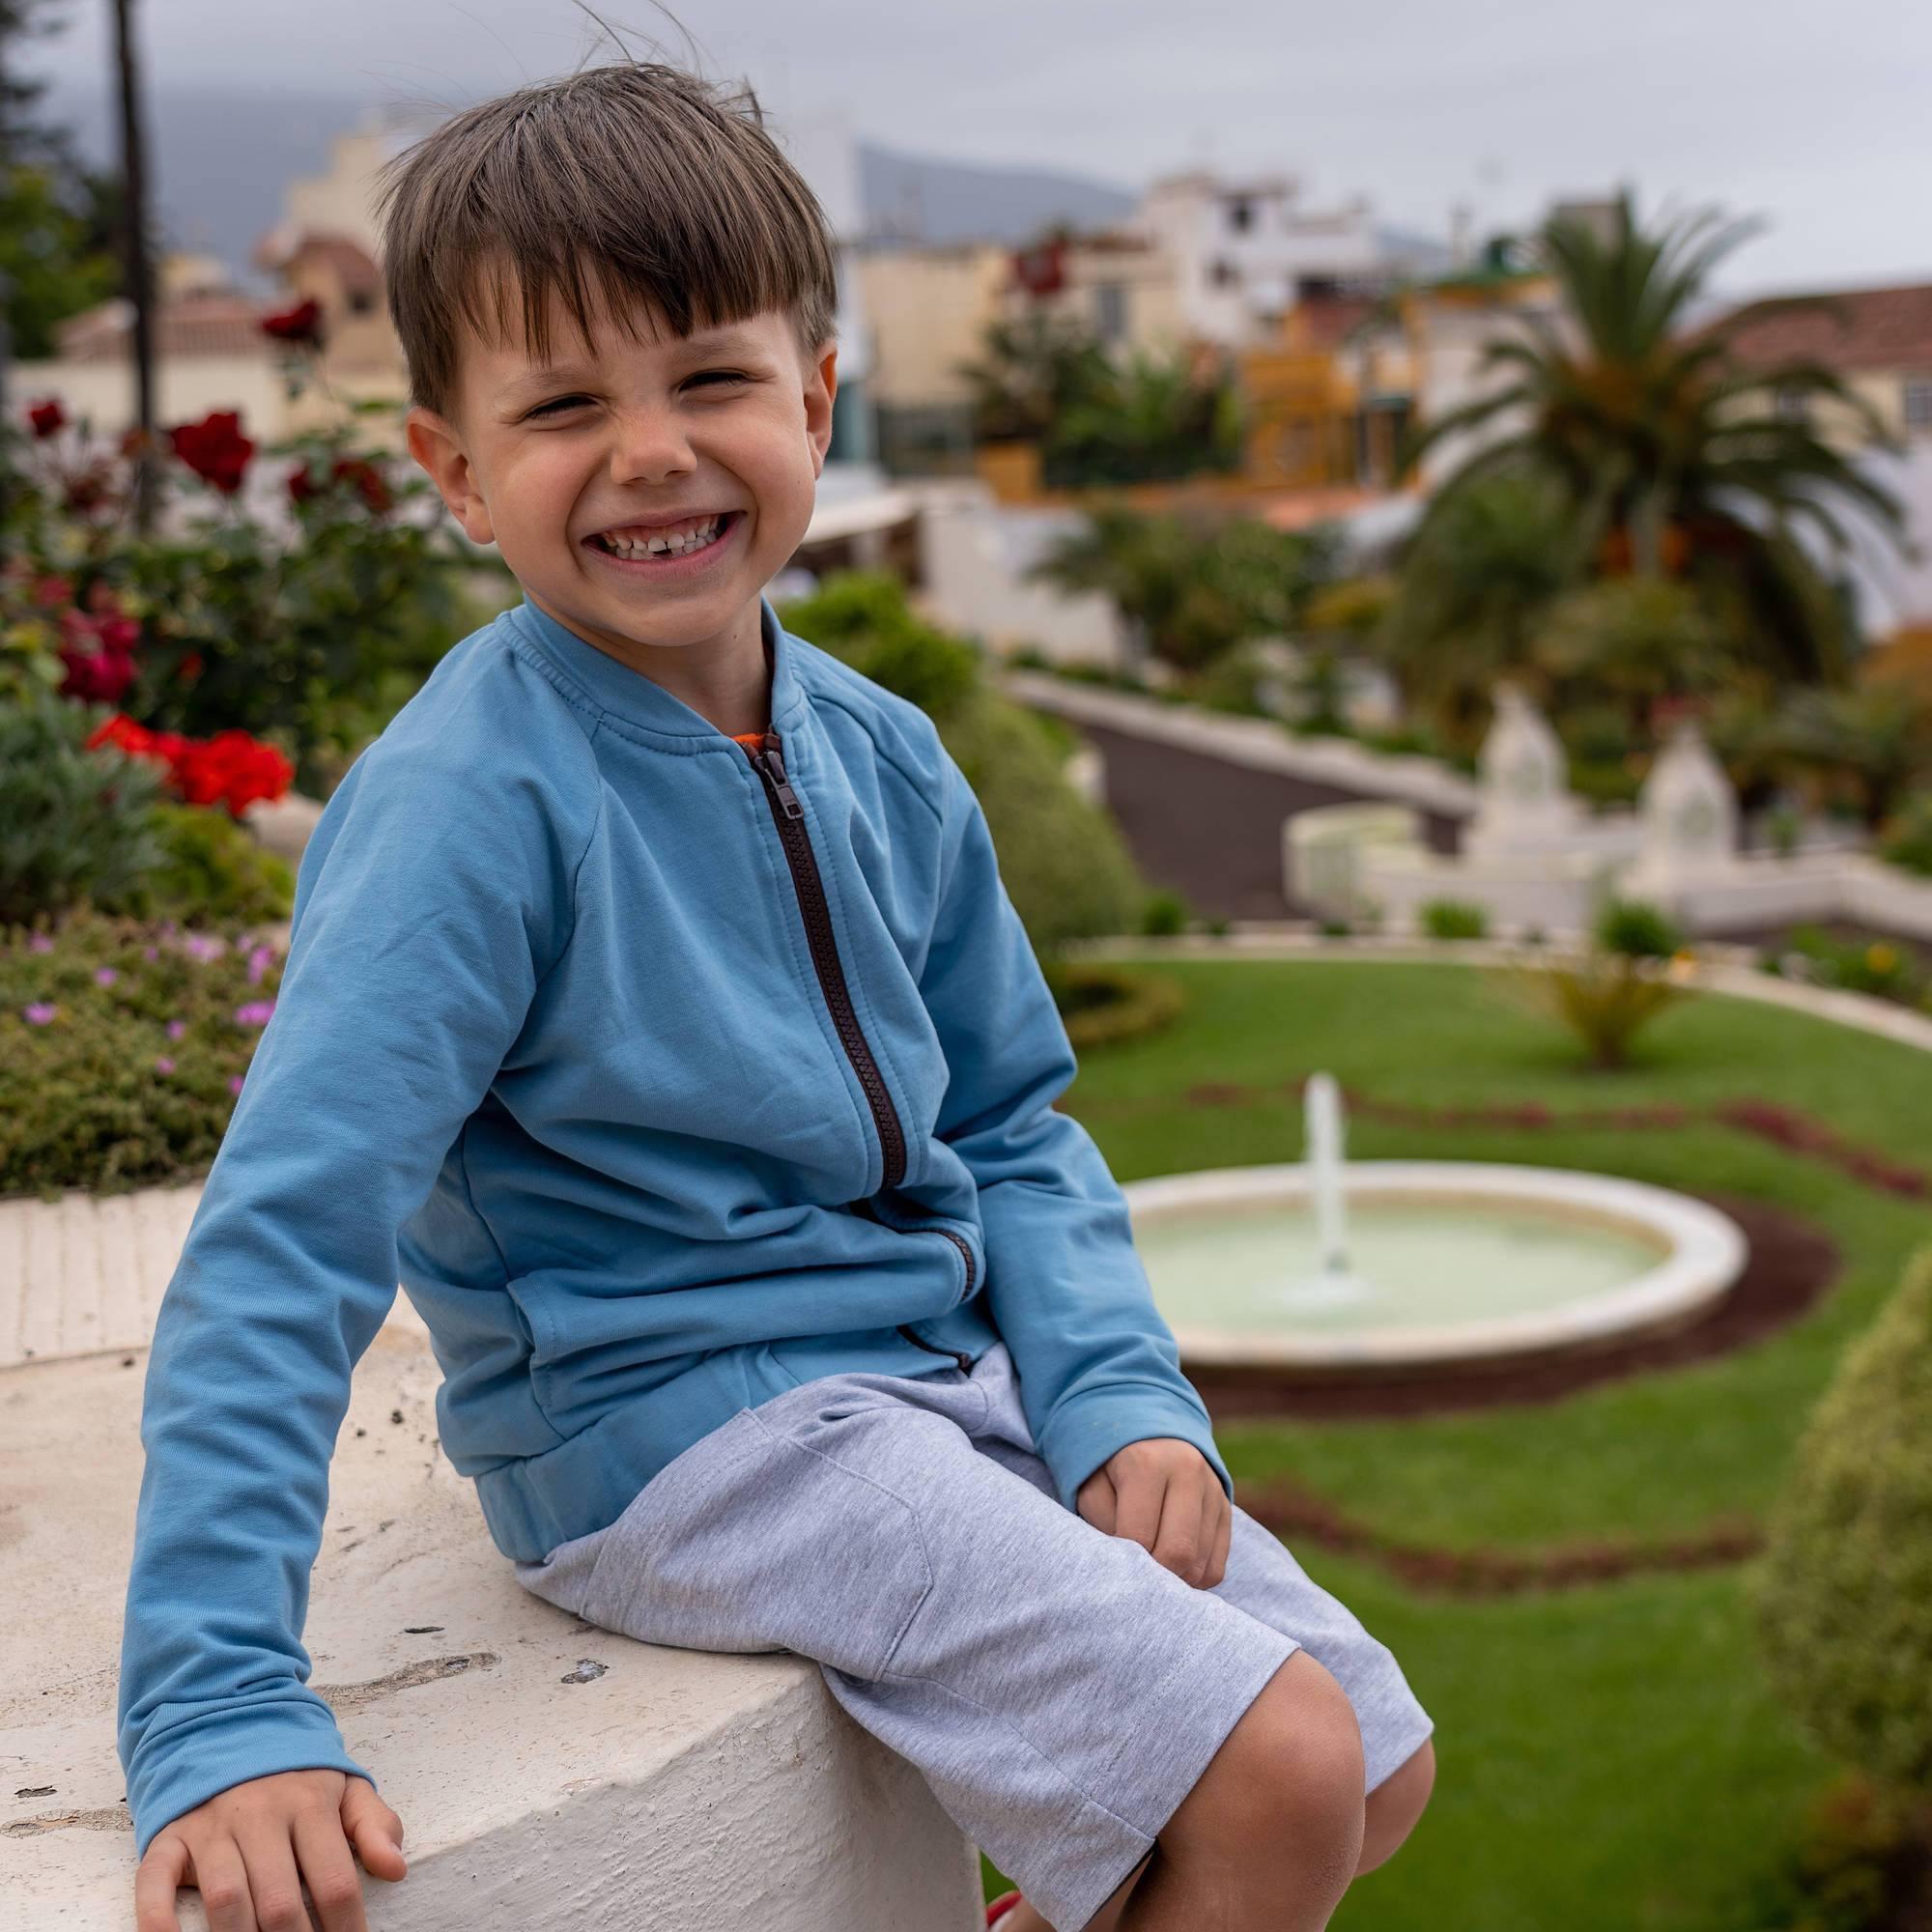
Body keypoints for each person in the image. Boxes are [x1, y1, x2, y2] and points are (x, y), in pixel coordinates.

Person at [118, 57, 1435, 1932]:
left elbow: (1007, 1119)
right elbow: (282, 1244)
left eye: (710, 380)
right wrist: (217, 1704)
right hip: (674, 1433)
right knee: (1283, 1768)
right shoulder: (466, 806)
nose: (650, 450)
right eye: (566, 405)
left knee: (1377, 1766)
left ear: (814, 398)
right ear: (454, 471)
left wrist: (1121, 1392)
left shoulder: (883, 752)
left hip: (921, 1368)